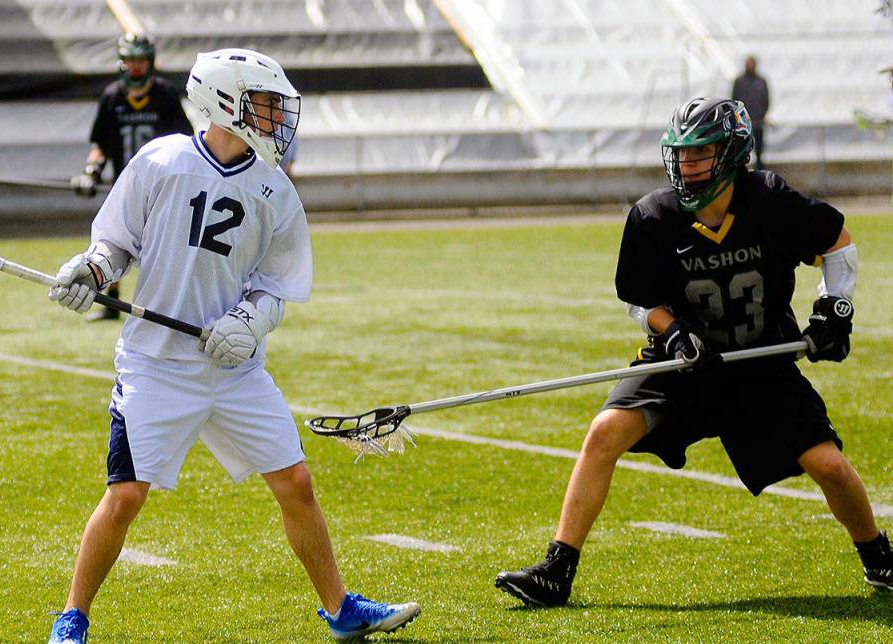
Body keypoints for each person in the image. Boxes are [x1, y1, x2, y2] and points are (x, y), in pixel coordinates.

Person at [46, 48, 420, 642]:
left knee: (295, 482)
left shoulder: (275, 191)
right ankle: (73, 616)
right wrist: (91, 272)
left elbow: (278, 284)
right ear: (227, 102)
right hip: (157, 366)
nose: (277, 118)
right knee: (126, 496)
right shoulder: (161, 161)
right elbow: (114, 244)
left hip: (235, 369)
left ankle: (341, 609)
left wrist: (249, 320)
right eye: (266, 104)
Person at [495, 97, 892, 608]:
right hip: (684, 365)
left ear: (732, 153)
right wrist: (675, 331)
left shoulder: (769, 199)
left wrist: (833, 310)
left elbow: (838, 242)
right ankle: (557, 569)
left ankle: (878, 555)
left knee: (830, 467)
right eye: (682, 155)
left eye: (701, 154)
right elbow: (638, 297)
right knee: (604, 432)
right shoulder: (654, 216)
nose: (688, 166)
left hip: (760, 364)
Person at [71, 32, 194, 321]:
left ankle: (171, 303)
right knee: (114, 239)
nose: (135, 67)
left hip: (163, 185)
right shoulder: (112, 96)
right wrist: (91, 172)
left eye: (140, 60)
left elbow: (185, 138)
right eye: (130, 60)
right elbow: (99, 142)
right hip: (124, 183)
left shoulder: (164, 95)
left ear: (150, 62)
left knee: (166, 244)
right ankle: (111, 302)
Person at [731, 56, 769, 170]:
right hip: (743, 120)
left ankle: (759, 166)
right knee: (741, 144)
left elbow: (766, 100)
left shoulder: (761, 81)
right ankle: (741, 166)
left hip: (758, 119)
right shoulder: (739, 82)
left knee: (759, 146)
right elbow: (734, 99)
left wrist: (762, 114)